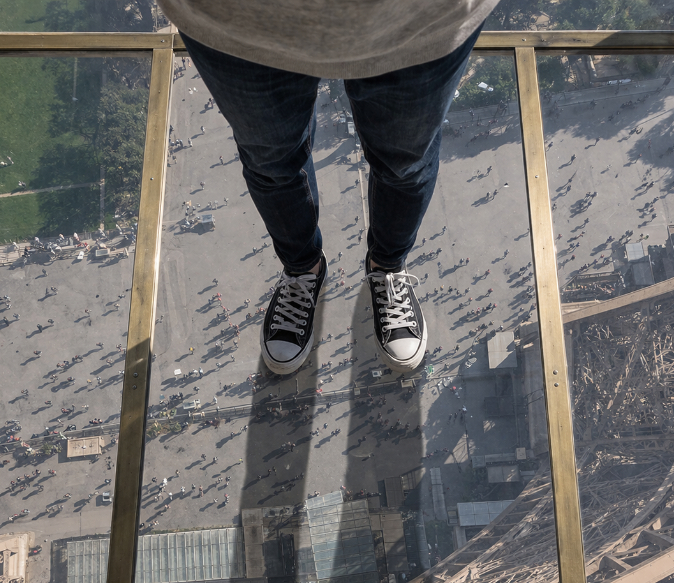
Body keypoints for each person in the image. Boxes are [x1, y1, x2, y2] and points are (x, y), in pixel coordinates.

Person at [162, 0, 497, 374]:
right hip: (236, 21)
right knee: (271, 165)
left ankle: (384, 265)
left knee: (405, 164)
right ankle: (304, 269)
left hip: (419, 18)